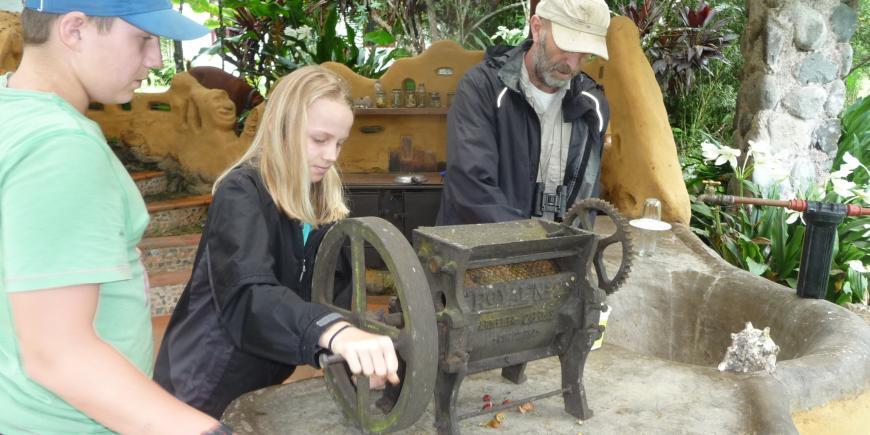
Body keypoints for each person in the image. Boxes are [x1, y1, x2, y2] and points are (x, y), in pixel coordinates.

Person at [0, 1, 232, 433]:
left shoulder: (11, 108)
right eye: (143, 38)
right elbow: (58, 353)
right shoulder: (59, 146)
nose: (157, 59)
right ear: (74, 30)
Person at [153, 65, 400, 419]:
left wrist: (355, 348)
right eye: (319, 140)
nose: (331, 156)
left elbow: (332, 295)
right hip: (202, 381)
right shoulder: (241, 191)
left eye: (339, 143)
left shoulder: (320, 203)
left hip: (260, 381)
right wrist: (332, 332)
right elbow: (249, 294)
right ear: (282, 127)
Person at [437, 0, 612, 225]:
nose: (572, 64)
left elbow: (586, 195)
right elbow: (471, 187)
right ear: (537, 28)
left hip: (557, 251)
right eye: (566, 47)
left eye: (584, 53)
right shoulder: (482, 88)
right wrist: (532, 243)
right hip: (481, 248)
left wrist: (573, 247)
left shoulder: (591, 105)